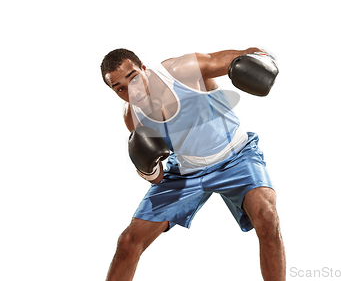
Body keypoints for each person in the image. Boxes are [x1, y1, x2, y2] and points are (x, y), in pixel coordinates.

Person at [100, 47, 286, 281]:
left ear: (144, 69)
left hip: (236, 156)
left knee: (267, 217)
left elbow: (245, 55)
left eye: (133, 77)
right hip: (185, 172)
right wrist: (149, 171)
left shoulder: (181, 71)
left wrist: (264, 60)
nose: (131, 90)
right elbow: (157, 173)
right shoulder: (133, 117)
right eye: (120, 89)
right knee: (128, 242)